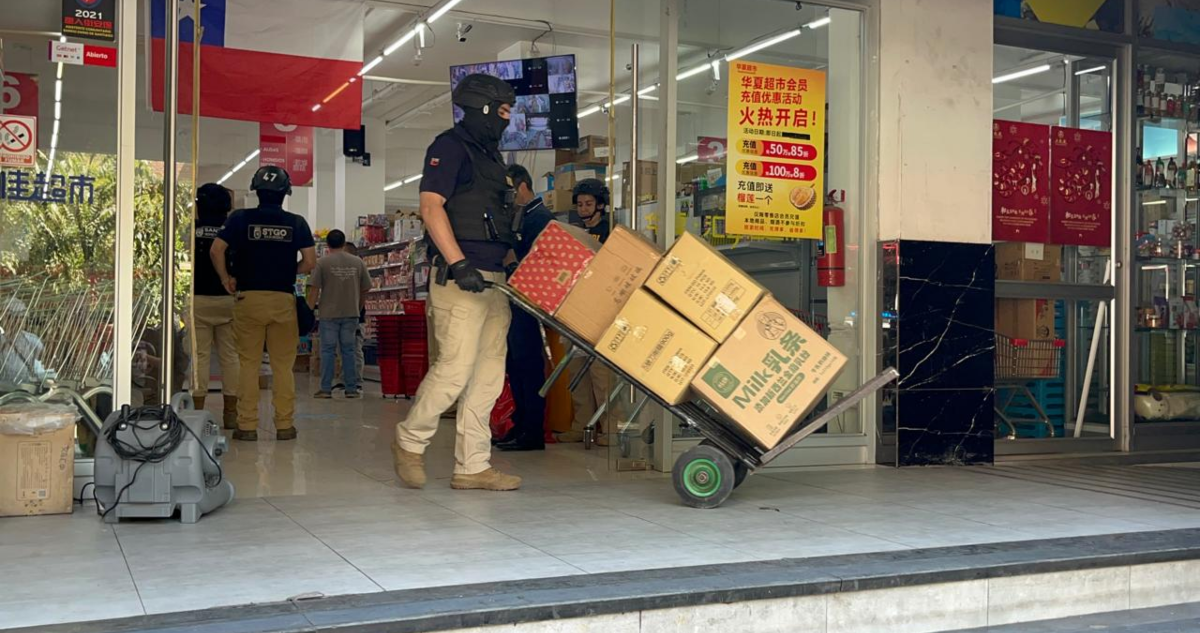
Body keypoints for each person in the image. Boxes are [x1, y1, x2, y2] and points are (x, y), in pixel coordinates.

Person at [391, 73, 523, 491]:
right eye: (503, 111)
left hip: (495, 281)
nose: (506, 120)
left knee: (488, 376)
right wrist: (459, 262)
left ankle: (473, 466)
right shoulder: (448, 146)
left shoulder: (493, 158)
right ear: (483, 107)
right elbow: (431, 208)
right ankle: (410, 441)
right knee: (454, 369)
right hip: (460, 278)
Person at [210, 166, 316, 442]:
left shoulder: (240, 218)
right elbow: (310, 262)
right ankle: (284, 425)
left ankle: (246, 426)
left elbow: (216, 249)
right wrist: (285, 272)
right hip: (283, 299)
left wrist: (226, 279)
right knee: (283, 366)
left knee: (248, 364)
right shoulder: (297, 223)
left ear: (257, 191)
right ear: (285, 193)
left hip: (249, 298)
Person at [495, 163, 553, 452]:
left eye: (509, 191)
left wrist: (511, 262)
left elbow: (540, 265)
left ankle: (532, 432)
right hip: (515, 301)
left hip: (529, 304)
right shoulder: (521, 217)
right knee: (515, 366)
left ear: (522, 187)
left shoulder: (540, 219)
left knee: (527, 366)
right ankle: (520, 425)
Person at [560, 178, 614, 445]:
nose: (583, 209)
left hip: (601, 310)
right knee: (576, 370)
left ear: (601, 205)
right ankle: (581, 425)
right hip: (575, 307)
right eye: (580, 204)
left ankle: (610, 428)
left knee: (601, 374)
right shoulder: (575, 232)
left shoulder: (612, 233)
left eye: (589, 203)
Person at [191, 183, 240, 428]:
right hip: (228, 299)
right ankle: (231, 414)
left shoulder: (192, 230)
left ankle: (197, 411)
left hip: (197, 300)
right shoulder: (232, 230)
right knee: (230, 356)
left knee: (199, 356)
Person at [307, 230, 372, 399]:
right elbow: (366, 288)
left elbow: (314, 289)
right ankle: (351, 389)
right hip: (351, 312)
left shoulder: (322, 263)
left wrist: (308, 310)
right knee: (348, 351)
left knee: (328, 351)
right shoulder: (358, 262)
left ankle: (325, 388)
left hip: (329, 313)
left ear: (327, 245)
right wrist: (358, 305)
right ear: (344, 244)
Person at [342, 242, 367, 385]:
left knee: (355, 348)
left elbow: (364, 291)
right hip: (344, 316)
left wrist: (357, 312)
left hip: (357, 317)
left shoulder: (358, 270)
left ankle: (356, 379)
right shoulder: (344, 271)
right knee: (345, 349)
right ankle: (347, 378)